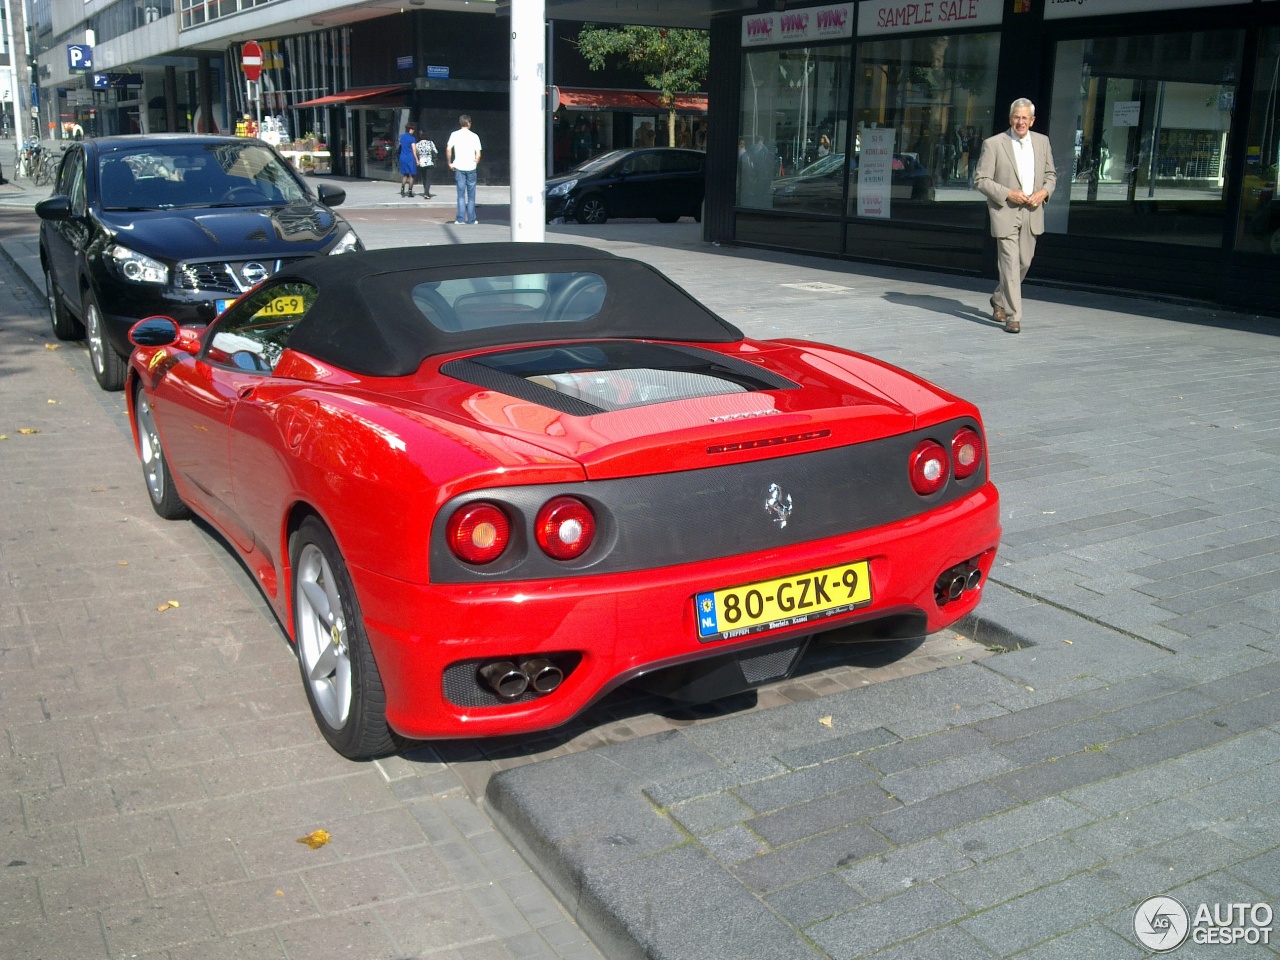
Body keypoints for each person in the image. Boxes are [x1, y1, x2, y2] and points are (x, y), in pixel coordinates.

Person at [973, 98, 1056, 334]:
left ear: (1032, 121)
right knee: (1009, 264)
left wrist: (1043, 192)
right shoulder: (994, 144)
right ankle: (1013, 316)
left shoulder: (1042, 142)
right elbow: (981, 180)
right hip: (1005, 211)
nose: (1020, 122)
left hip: (1033, 210)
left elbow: (1051, 175)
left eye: (1025, 118)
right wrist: (1008, 193)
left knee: (1024, 262)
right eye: (1016, 117)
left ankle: (998, 298)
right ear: (1011, 119)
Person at [447, 114, 482, 224]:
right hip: (471, 167)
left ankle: (460, 218)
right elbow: (478, 153)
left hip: (459, 167)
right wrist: (476, 161)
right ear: (469, 123)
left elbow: (448, 149)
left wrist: (450, 163)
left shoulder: (454, 135)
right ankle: (471, 219)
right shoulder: (474, 136)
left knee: (461, 194)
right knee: (471, 195)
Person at [414, 131, 438, 199]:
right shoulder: (430, 143)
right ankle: (426, 193)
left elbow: (416, 153)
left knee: (424, 178)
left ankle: (426, 191)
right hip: (429, 162)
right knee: (428, 178)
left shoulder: (417, 144)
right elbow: (435, 151)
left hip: (421, 163)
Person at [398, 122, 418, 197]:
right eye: (413, 129)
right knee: (411, 175)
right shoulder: (412, 138)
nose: (413, 131)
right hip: (410, 157)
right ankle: (410, 191)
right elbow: (414, 149)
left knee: (405, 174)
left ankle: (402, 189)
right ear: (411, 129)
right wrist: (417, 159)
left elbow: (400, 145)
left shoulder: (402, 137)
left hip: (402, 156)